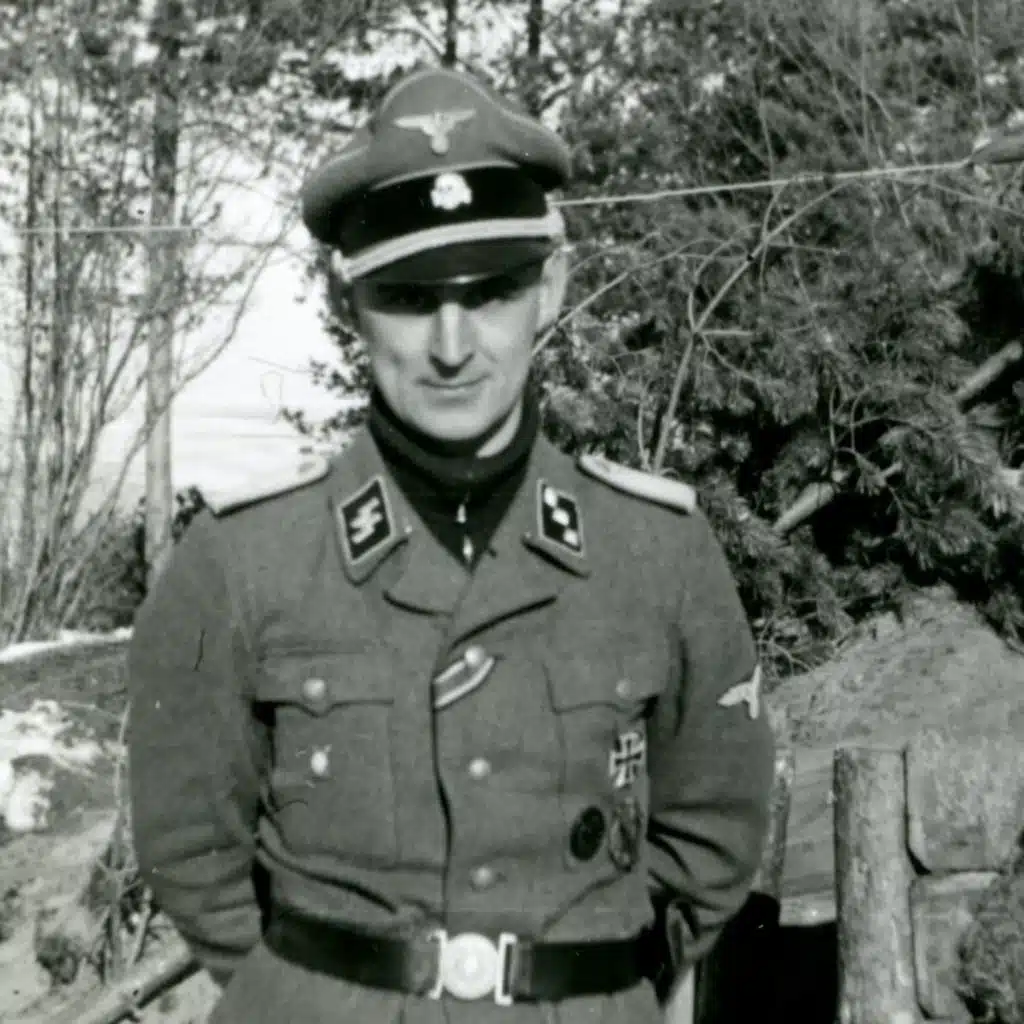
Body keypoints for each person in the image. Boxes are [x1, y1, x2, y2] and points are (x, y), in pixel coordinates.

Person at [128, 65, 776, 1024]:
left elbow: (714, 834)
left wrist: (591, 982)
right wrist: (306, 990)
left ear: (550, 288)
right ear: (348, 304)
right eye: (408, 295)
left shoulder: (657, 549)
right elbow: (190, 846)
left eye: (491, 291)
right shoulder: (240, 562)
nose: (451, 343)